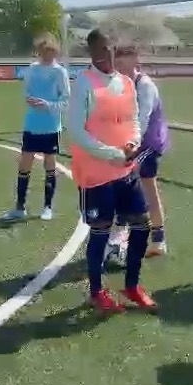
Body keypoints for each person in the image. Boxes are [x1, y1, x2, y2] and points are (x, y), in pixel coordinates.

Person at [68, 29, 156, 313]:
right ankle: (96, 292)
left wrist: (133, 142)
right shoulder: (83, 84)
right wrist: (113, 154)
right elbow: (76, 132)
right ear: (91, 53)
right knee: (101, 230)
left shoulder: (126, 83)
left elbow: (134, 121)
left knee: (142, 224)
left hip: (125, 171)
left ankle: (131, 285)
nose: (105, 55)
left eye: (109, 49)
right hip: (96, 175)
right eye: (100, 50)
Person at [105, 44, 169, 265]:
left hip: (148, 143)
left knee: (129, 183)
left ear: (135, 61)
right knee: (144, 188)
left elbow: (141, 119)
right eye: (116, 63)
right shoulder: (119, 85)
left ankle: (120, 238)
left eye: (122, 63)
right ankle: (156, 240)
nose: (118, 67)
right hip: (132, 144)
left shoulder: (145, 86)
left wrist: (129, 146)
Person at [3, 33, 70, 221]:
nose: (46, 55)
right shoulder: (32, 69)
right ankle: (19, 207)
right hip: (32, 124)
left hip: (50, 126)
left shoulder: (60, 72)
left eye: (49, 51)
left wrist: (47, 104)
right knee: (25, 164)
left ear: (55, 51)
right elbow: (26, 92)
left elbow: (65, 100)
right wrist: (30, 100)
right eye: (42, 51)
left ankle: (47, 207)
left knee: (50, 164)